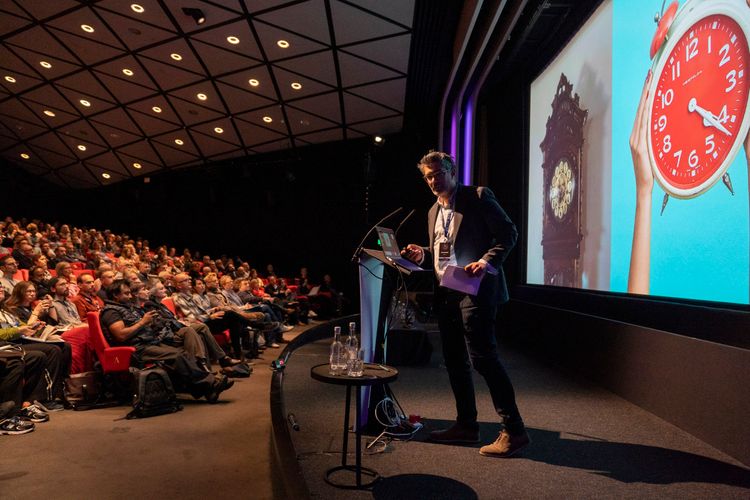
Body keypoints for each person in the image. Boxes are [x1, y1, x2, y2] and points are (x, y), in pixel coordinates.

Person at [402, 150, 529, 458]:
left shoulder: (478, 196)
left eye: (438, 174)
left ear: (452, 171)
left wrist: (486, 262)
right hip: (447, 292)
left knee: (483, 358)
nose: (433, 181)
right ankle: (466, 426)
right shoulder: (433, 211)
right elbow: (442, 251)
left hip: (475, 289)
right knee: (455, 361)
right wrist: (422, 253)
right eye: (428, 177)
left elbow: (508, 233)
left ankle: (514, 430)